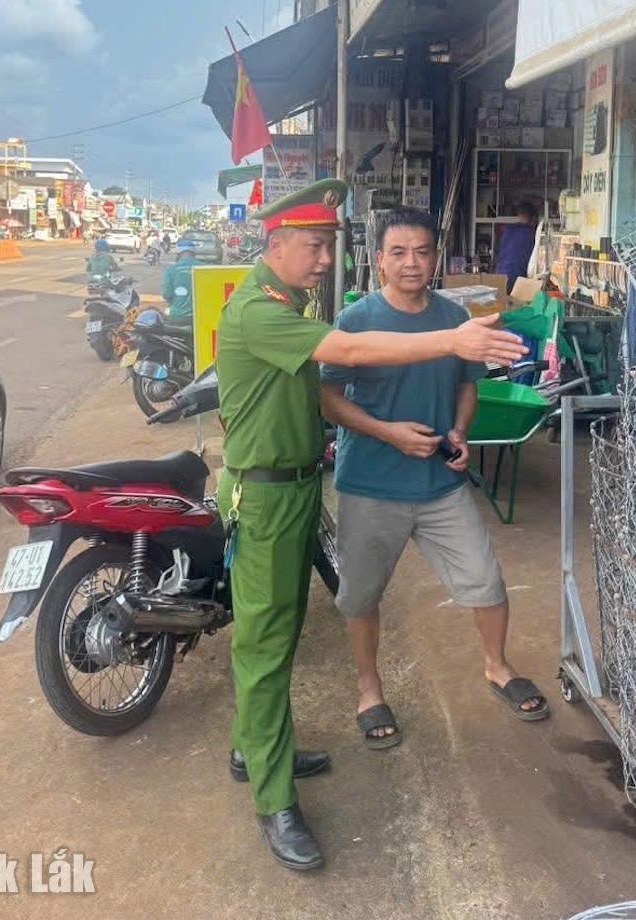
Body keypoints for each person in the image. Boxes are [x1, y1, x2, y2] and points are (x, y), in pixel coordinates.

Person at [216, 180, 527, 872]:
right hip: (266, 496)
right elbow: (347, 360)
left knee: (282, 631)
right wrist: (452, 337)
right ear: (274, 244)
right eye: (312, 245)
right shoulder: (261, 312)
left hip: (298, 488)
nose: (324, 258)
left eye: (329, 246)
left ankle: (254, 744)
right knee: (267, 645)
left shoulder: (290, 300)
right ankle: (274, 797)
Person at [320, 207, 550, 755]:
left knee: (486, 582)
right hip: (371, 484)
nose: (411, 263)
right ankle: (369, 689)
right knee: (360, 595)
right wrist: (386, 432)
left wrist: (461, 430)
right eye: (398, 253)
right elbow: (326, 397)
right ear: (379, 261)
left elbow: (467, 385)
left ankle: (497, 666)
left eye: (422, 252)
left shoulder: (456, 318)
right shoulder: (355, 321)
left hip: (440, 485)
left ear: (436, 259)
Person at [495, 203, 538, 295]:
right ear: (533, 217)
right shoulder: (531, 234)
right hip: (517, 275)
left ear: (518, 215)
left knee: (501, 303)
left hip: (500, 272)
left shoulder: (508, 230)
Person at [161, 241, 198, 321]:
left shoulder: (171, 269)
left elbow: (167, 294)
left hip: (178, 316)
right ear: (194, 253)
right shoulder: (205, 268)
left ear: (178, 253)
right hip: (202, 317)